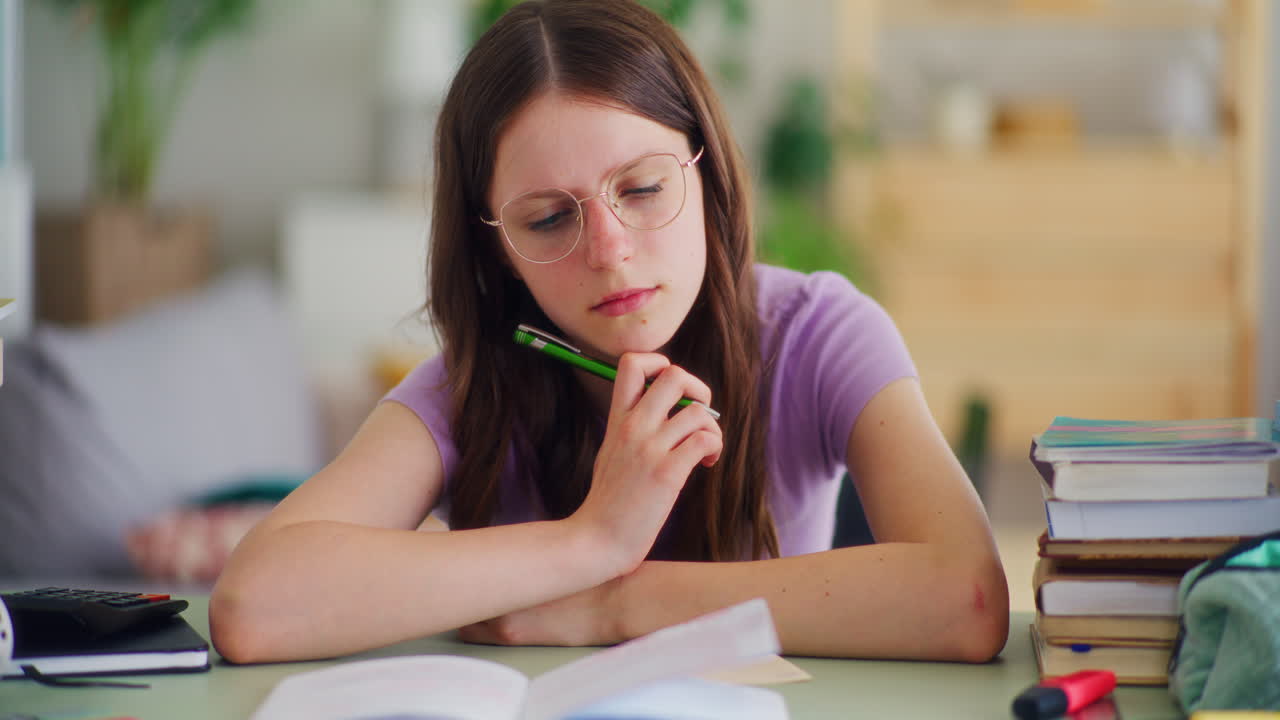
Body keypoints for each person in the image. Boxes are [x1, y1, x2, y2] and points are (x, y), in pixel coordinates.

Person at [210, 0, 1008, 664]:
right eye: (551, 218)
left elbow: (968, 598)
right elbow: (254, 606)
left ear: (708, 172)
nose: (611, 252)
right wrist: (590, 541)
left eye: (645, 186)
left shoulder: (820, 333)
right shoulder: (472, 384)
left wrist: (613, 604)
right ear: (497, 247)